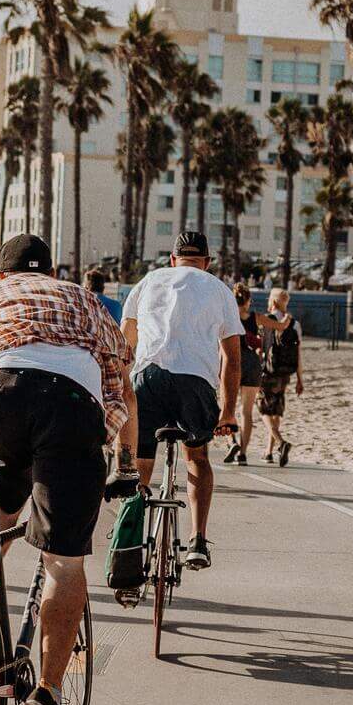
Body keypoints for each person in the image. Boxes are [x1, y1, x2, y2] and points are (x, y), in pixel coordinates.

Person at [0, 233, 135, 705]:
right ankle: (47, 696)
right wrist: (112, 451)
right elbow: (119, 386)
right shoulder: (86, 301)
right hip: (71, 404)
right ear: (53, 273)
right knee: (63, 563)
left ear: (2, 275)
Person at [121, 231, 242, 569]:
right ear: (206, 262)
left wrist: (120, 393)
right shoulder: (218, 288)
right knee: (197, 458)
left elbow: (125, 344)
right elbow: (232, 358)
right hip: (194, 383)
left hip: (148, 377)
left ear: (172, 259)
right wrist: (228, 413)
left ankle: (128, 541)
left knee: (141, 464)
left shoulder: (149, 280)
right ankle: (197, 540)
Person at [256, 287, 303, 466]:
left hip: (268, 372)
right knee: (276, 410)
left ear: (273, 302)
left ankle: (281, 442)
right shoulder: (295, 324)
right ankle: (268, 451)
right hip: (285, 373)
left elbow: (260, 348)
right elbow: (298, 353)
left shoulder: (267, 321)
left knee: (263, 410)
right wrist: (300, 379)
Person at [223, 284, 264, 465]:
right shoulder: (256, 317)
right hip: (253, 364)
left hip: (232, 362)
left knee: (226, 407)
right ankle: (243, 454)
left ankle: (231, 441)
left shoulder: (228, 318)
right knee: (246, 411)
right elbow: (281, 326)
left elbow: (221, 347)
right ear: (248, 301)